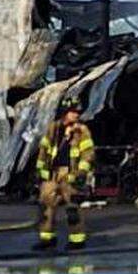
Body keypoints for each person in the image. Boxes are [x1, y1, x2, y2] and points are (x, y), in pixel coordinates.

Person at [35, 105, 95, 251]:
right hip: (52, 173)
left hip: (70, 174)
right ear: (64, 114)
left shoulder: (82, 130)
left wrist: (80, 173)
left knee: (72, 208)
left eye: (78, 112)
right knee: (46, 207)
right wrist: (41, 172)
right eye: (73, 112)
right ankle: (47, 239)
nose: (77, 115)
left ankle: (77, 240)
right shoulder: (53, 128)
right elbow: (43, 151)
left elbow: (88, 153)